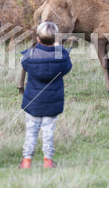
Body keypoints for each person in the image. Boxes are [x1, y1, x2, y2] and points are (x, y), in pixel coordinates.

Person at [19, 21, 72, 169]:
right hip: (52, 103)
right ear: (55, 39)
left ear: (37, 39)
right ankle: (47, 160)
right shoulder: (61, 58)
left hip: (33, 103)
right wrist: (59, 48)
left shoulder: (30, 56)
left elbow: (24, 62)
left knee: (31, 131)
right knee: (48, 132)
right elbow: (68, 66)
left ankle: (26, 160)